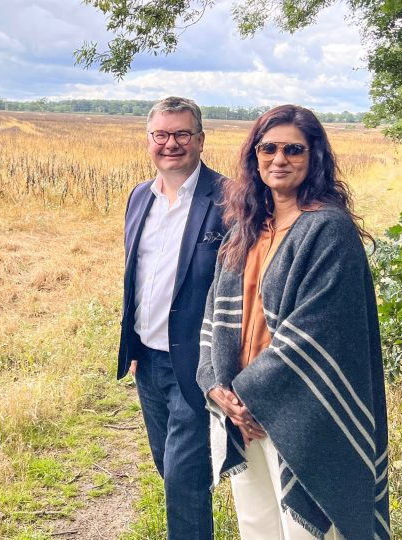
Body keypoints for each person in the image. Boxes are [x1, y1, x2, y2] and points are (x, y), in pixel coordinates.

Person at [196, 104, 389, 540]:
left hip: (300, 409)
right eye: (269, 148)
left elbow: (320, 333)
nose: (279, 159)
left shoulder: (327, 230)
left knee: (307, 534)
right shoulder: (246, 226)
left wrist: (257, 400)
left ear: (313, 157)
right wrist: (217, 386)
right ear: (255, 155)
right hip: (242, 409)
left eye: (293, 149)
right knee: (258, 528)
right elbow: (214, 314)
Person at [118, 96, 227, 540]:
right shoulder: (139, 196)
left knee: (184, 478)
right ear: (149, 141)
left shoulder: (229, 200)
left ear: (200, 140)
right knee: (169, 465)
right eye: (161, 135)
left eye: (182, 134)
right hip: (148, 359)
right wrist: (136, 347)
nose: (171, 144)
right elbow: (137, 277)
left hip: (197, 363)